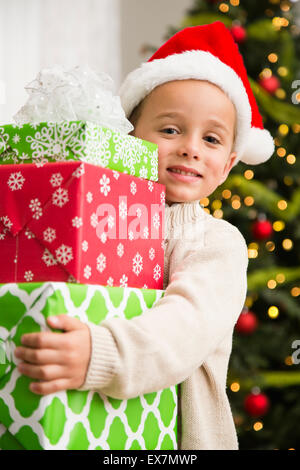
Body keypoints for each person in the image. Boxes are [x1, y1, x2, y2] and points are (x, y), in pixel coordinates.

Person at [14, 22, 274, 449]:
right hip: (89, 426)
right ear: (131, 137)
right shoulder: (98, 215)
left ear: (227, 166)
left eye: (210, 139)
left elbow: (184, 327)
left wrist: (101, 355)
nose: (190, 147)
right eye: (170, 130)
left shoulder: (215, 243)